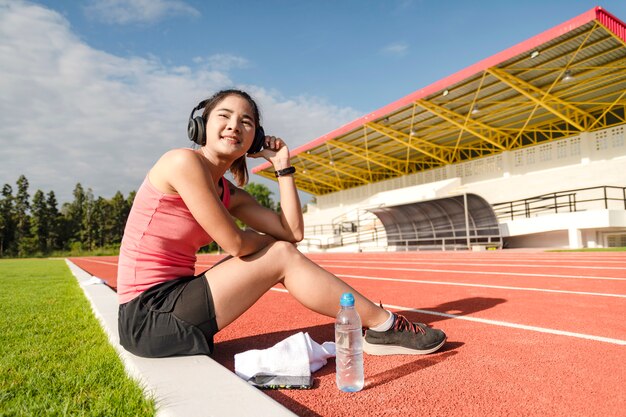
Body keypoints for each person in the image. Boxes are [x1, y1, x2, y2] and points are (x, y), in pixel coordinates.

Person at [116, 89, 446, 358]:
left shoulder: (231, 193)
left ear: (255, 138)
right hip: (147, 317)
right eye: (224, 116)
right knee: (280, 254)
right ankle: (383, 326)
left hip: (173, 304)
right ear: (200, 126)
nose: (235, 125)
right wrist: (267, 243)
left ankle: (380, 326)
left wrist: (282, 166)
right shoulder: (181, 162)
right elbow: (234, 243)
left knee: (282, 248)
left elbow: (293, 232)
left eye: (246, 122)